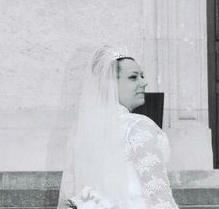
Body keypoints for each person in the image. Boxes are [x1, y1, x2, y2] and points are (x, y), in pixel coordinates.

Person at [59, 48, 179, 209]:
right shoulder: (138, 126)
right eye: (133, 77)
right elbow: (159, 197)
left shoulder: (82, 131)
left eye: (141, 76)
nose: (144, 82)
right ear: (110, 84)